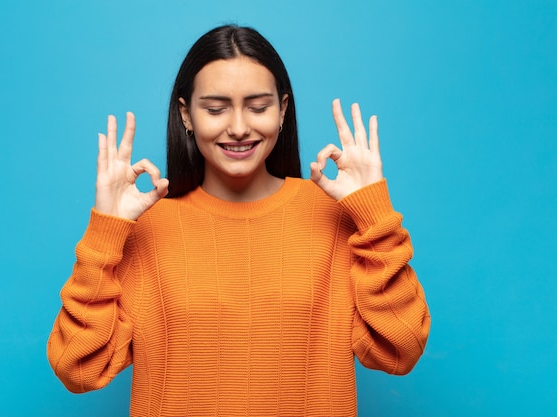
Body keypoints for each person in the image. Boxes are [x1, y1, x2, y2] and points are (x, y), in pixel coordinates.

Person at [47, 24, 430, 416]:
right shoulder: (147, 227)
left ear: (283, 110)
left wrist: (375, 216)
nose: (239, 127)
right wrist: (105, 234)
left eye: (259, 107)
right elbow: (78, 368)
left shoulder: (333, 217)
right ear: (187, 115)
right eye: (215, 109)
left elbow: (401, 348)